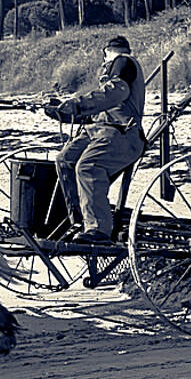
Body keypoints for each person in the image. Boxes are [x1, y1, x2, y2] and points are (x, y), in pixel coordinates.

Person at [46, 35, 146, 244]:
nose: (103, 64)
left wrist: (77, 104)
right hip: (100, 131)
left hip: (123, 135)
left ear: (107, 52)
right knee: (65, 159)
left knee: (88, 166)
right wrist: (62, 111)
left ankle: (99, 229)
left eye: (104, 58)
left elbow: (114, 94)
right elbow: (97, 110)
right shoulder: (116, 68)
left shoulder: (123, 61)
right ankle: (78, 220)